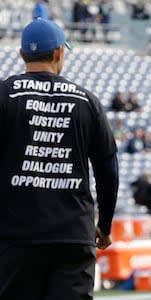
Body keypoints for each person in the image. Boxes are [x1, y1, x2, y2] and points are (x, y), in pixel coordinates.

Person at [0, 18, 118, 299]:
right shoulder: (87, 101)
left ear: (21, 55)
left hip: (16, 237)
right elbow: (108, 168)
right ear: (58, 53)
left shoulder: (4, 95)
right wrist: (105, 224)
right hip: (73, 236)